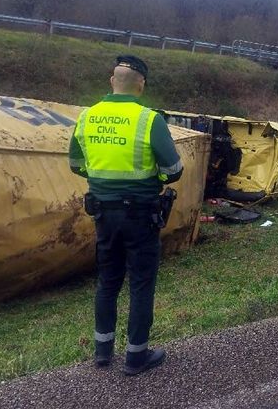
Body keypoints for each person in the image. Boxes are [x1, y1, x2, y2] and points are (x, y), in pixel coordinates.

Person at [68, 55, 183, 376]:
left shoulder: (87, 117)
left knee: (107, 281)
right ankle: (136, 356)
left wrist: (104, 180)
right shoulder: (149, 120)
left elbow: (76, 165)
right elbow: (173, 170)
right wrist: (152, 180)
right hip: (141, 215)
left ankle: (102, 352)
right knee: (141, 284)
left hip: (104, 213)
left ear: (111, 81)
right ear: (141, 85)